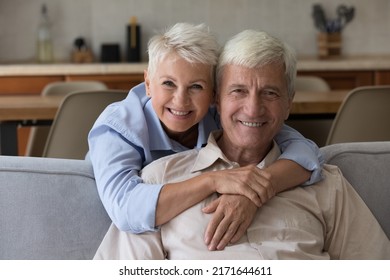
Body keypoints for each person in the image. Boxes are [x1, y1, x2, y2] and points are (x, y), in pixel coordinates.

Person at [94, 29, 389, 260]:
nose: (252, 109)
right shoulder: (156, 178)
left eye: (270, 93)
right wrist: (214, 180)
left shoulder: (324, 182)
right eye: (238, 91)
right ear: (218, 101)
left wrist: (255, 190)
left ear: (289, 104)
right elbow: (125, 211)